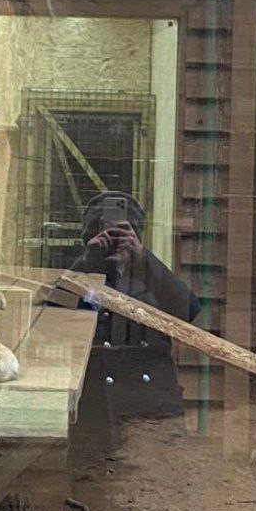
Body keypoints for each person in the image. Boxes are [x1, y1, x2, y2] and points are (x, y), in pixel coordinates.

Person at [67, 192, 200, 459]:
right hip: (95, 407)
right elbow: (55, 319)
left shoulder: (152, 278)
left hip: (151, 408)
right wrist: (87, 262)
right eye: (105, 233)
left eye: (122, 233)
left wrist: (142, 257)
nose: (114, 241)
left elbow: (189, 311)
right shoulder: (83, 275)